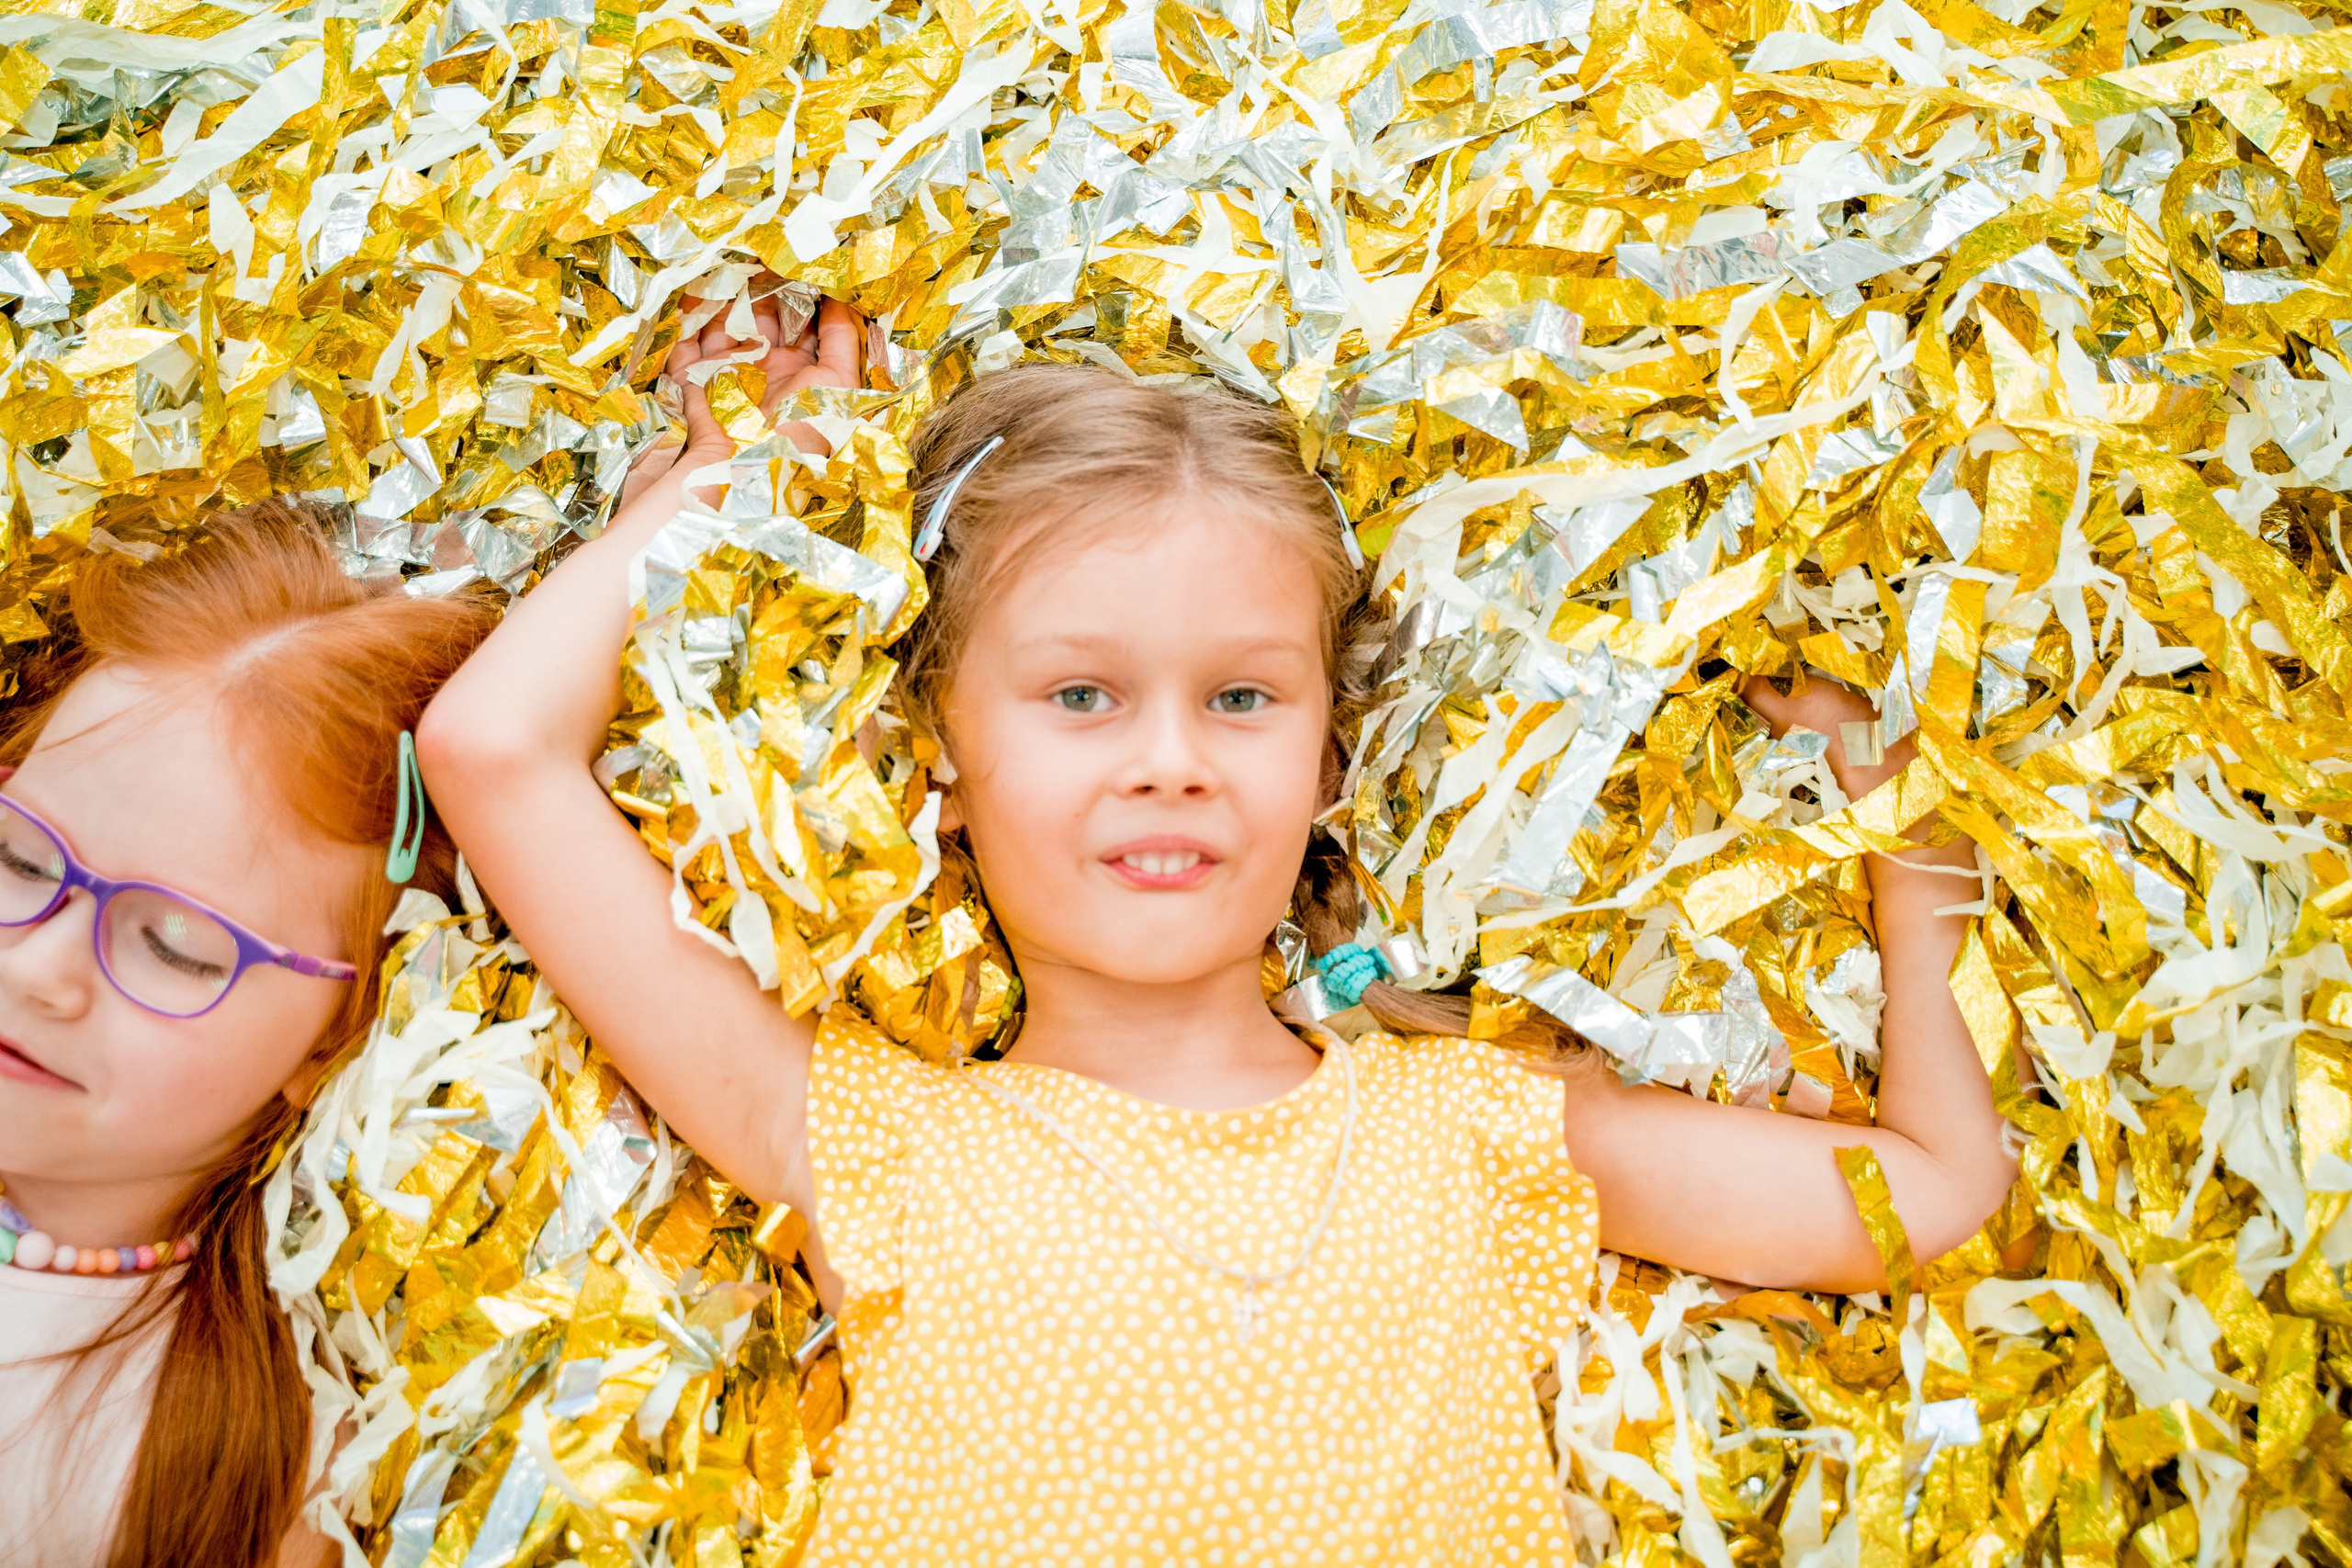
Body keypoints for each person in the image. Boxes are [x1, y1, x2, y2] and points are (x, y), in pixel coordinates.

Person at [419, 291, 2015, 1563]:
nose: (1170, 754)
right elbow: (490, 753)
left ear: (1327, 761)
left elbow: (1924, 1192)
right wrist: (726, 490)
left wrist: (1903, 842)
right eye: (1080, 695)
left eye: (1241, 695)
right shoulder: (861, 1138)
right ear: (944, 767)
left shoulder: (1484, 1127)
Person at [0, 504, 496, 1568]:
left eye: (178, 947)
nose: (38, 971)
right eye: (18, 859)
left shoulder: (251, 1469)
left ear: (341, 1033)